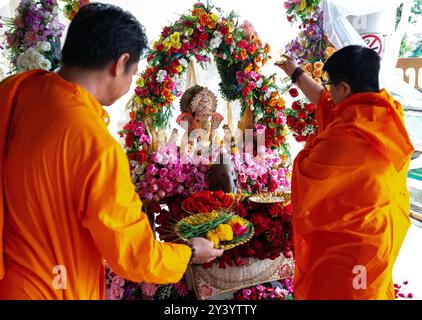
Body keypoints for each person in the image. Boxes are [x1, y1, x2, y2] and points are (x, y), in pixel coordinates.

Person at [0, 3, 222, 300]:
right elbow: (133, 253)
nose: (129, 84)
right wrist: (190, 252)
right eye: (133, 74)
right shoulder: (94, 143)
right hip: (54, 287)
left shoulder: (15, 90)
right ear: (120, 63)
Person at [276, 45, 414, 300]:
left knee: (350, 292)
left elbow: (306, 169)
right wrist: (295, 73)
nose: (327, 92)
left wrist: (313, 144)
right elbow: (325, 102)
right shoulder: (386, 110)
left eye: (330, 85)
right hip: (380, 229)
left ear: (345, 88)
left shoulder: (346, 135)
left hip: (353, 241)